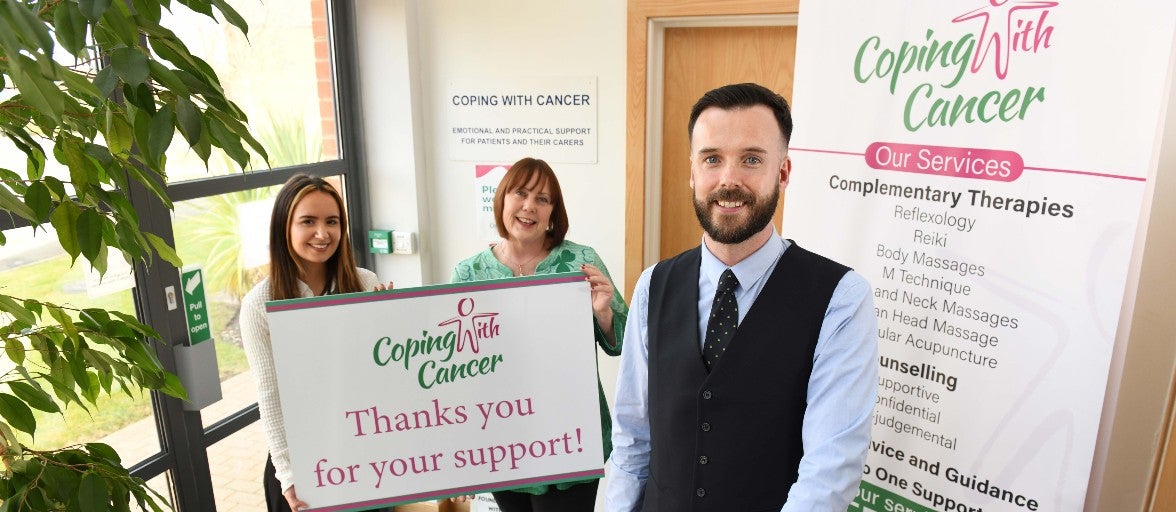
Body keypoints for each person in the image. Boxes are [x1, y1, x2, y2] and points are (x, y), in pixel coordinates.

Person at [605, 83, 878, 511]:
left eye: (751, 159)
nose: (728, 180)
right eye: (712, 159)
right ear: (692, 171)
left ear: (783, 173)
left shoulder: (840, 299)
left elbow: (830, 472)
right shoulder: (652, 285)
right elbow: (631, 443)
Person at [451, 157, 628, 512]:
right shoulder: (469, 272)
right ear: (502, 199)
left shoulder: (580, 260)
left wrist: (603, 311)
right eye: (521, 193)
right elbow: (459, 368)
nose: (529, 206)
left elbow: (621, 342)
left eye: (543, 199)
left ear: (553, 213)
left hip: (568, 432)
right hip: (501, 436)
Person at [240, 174, 387, 512]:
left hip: (364, 455)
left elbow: (382, 377)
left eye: (332, 222)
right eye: (309, 221)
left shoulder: (366, 283)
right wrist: (290, 476)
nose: (323, 233)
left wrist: (387, 324)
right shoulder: (259, 303)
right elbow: (270, 395)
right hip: (302, 465)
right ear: (284, 227)